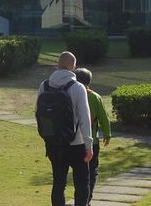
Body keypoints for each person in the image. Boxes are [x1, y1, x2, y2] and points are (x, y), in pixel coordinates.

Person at [39, 51, 93, 206]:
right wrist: (89, 146)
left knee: (58, 183)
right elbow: (84, 119)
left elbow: (39, 114)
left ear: (57, 65)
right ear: (74, 67)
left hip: (54, 144)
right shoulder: (78, 87)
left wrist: (49, 137)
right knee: (82, 184)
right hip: (77, 144)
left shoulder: (44, 85)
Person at [75, 67, 112, 206]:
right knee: (92, 170)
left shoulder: (72, 94)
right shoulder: (95, 97)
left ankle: (80, 199)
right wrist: (107, 134)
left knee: (79, 172)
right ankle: (87, 199)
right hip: (93, 141)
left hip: (75, 141)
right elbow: (103, 118)